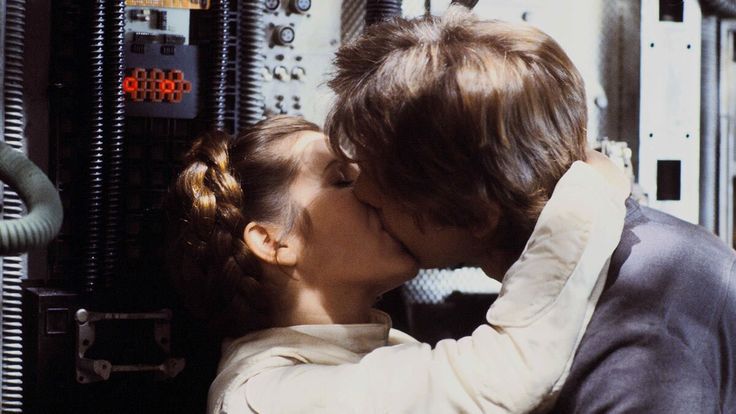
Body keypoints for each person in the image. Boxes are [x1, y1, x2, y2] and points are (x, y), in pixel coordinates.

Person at [325, 5, 736, 413]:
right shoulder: (637, 255)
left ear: (474, 214)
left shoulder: (641, 349)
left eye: (379, 181)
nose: (362, 191)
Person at [165, 115, 628, 414]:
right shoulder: (265, 396)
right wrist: (590, 186)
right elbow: (505, 379)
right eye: (343, 180)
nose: (374, 190)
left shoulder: (372, 347)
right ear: (274, 242)